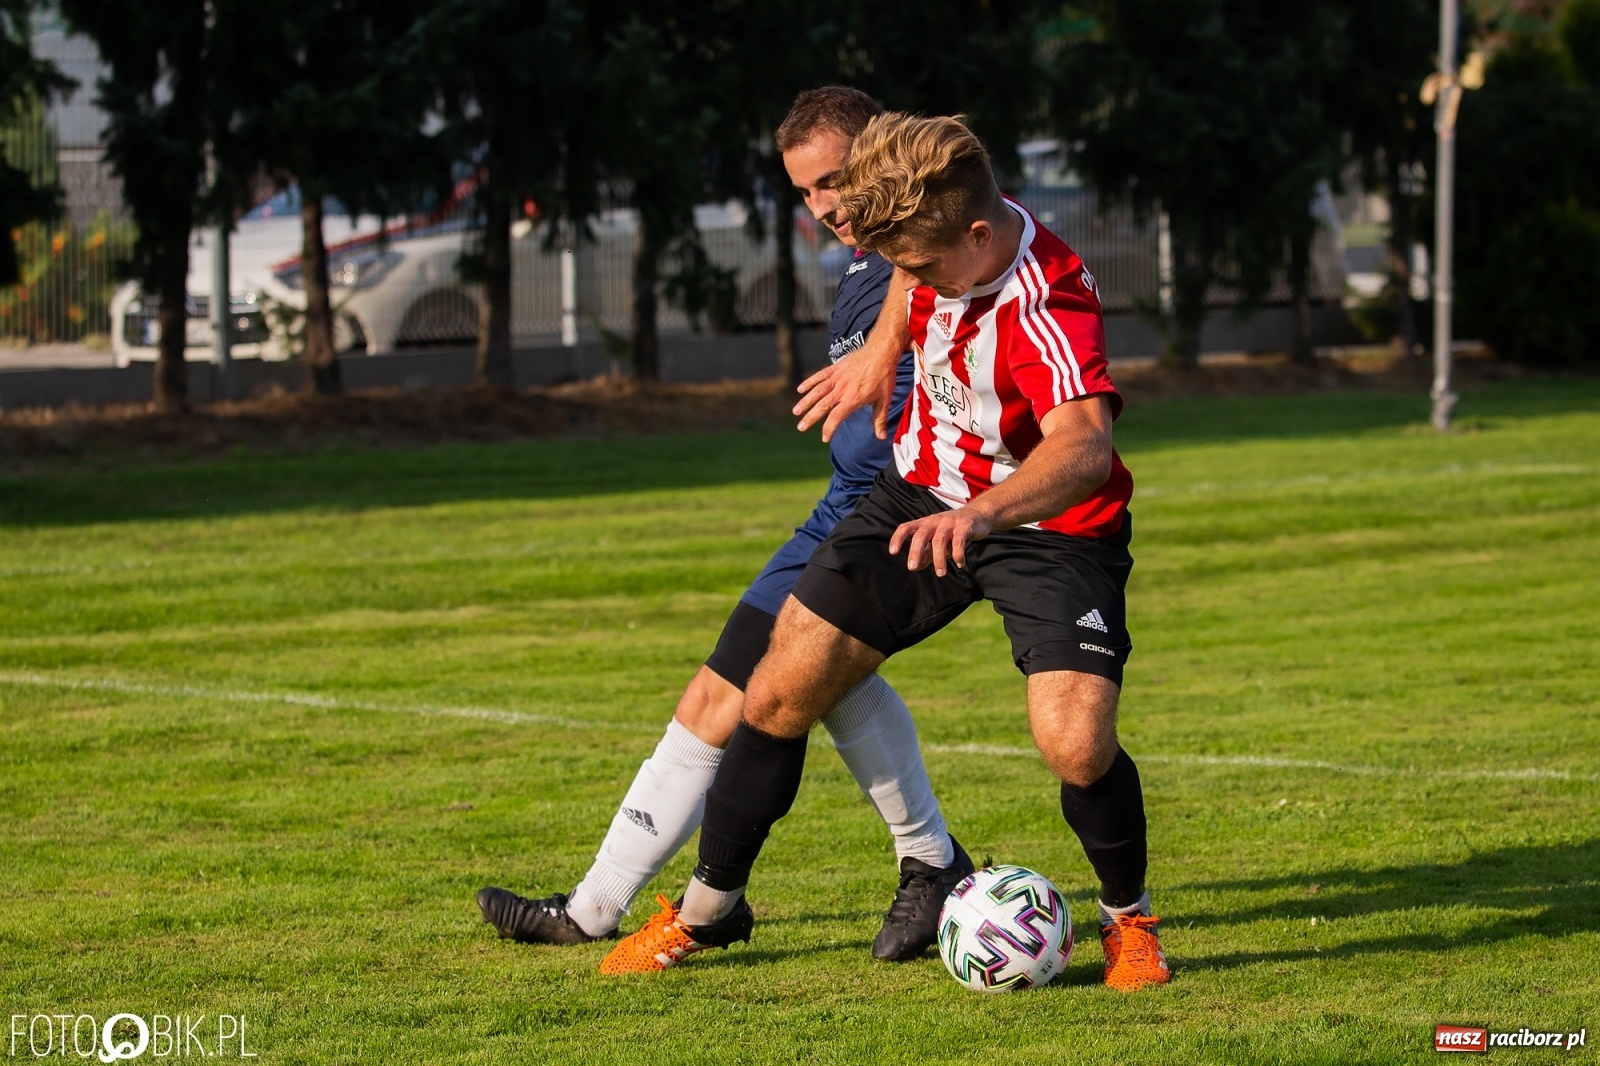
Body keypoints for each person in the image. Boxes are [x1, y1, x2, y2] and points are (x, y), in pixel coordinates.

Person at [600, 112, 1170, 993]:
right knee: (781, 684)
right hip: (918, 497)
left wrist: (982, 515)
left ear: (979, 240)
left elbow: (1084, 447)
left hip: (1051, 529)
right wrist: (880, 349)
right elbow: (911, 276)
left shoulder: (1047, 298)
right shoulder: (946, 225)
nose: (910, 278)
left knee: (1076, 744)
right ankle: (709, 913)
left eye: (922, 265)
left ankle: (1128, 924)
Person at [476, 88, 973, 965]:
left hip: (895, 510)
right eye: (807, 192)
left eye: (837, 180)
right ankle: (928, 862)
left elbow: (949, 251)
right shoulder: (872, 262)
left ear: (887, 155)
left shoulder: (927, 248)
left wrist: (888, 359)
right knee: (784, 680)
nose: (825, 207)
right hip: (843, 505)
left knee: (758, 686)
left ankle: (612, 908)